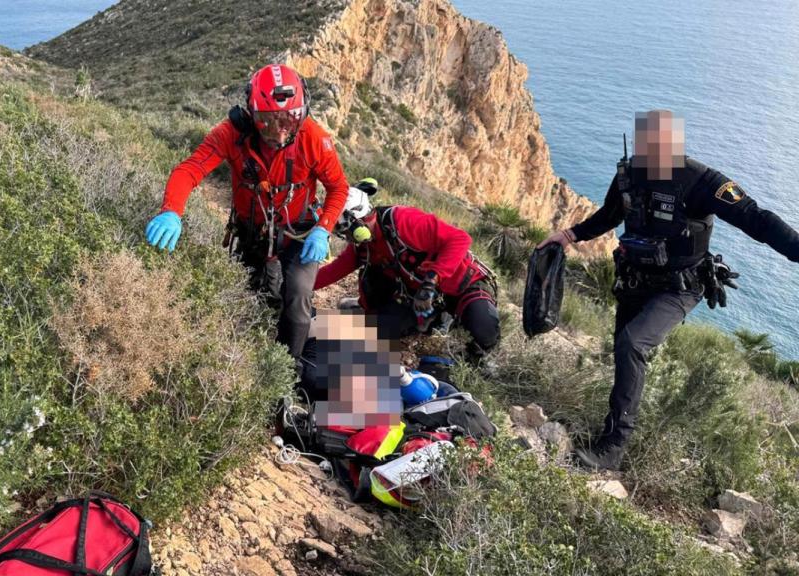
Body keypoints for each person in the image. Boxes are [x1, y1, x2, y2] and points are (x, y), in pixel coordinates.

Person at [539, 110, 799, 470]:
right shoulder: (629, 174)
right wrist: (569, 235)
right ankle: (610, 430)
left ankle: (613, 448)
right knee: (624, 349)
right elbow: (610, 215)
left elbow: (756, 218)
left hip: (680, 285)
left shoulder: (701, 180)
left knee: (633, 343)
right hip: (634, 278)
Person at [144, 64, 350, 362]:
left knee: (297, 298)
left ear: (303, 113)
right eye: (268, 121)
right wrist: (172, 211)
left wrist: (323, 229)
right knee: (249, 296)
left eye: (290, 119)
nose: (280, 130)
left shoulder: (314, 139)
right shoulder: (231, 135)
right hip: (252, 232)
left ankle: (288, 374)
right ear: (251, 115)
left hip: (300, 232)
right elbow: (190, 170)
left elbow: (338, 188)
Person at [314, 179, 501, 362]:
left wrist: (431, 281)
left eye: (344, 230)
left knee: (484, 333)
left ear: (356, 220)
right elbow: (332, 272)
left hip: (462, 285)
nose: (345, 237)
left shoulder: (403, 221)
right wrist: (296, 286)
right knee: (377, 329)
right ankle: (431, 321)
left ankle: (467, 350)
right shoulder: (363, 247)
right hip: (419, 299)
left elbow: (460, 239)